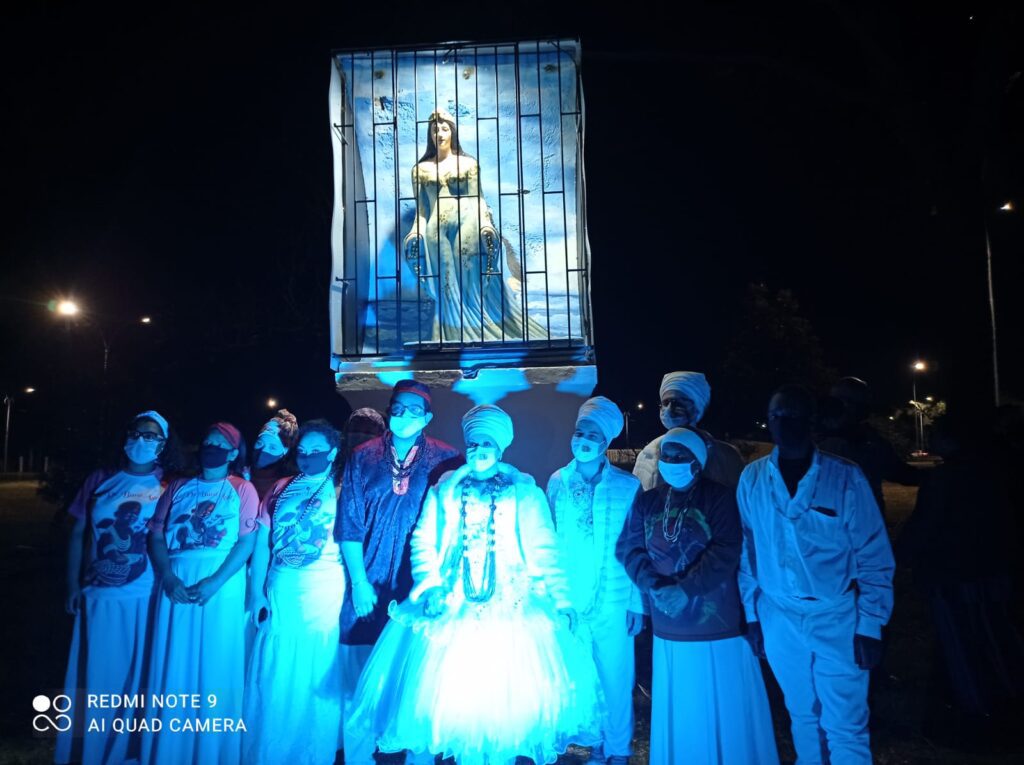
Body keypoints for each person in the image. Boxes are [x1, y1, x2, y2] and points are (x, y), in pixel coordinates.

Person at [348, 404, 602, 764]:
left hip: (512, 610)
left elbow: (543, 549)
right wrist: (430, 585)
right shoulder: (447, 488)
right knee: (458, 709)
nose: (479, 450)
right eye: (474, 443)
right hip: (453, 604)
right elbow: (424, 541)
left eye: (487, 443)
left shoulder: (524, 492)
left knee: (502, 713)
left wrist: (561, 601)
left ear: (501, 448)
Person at [738, 385, 895, 765]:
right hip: (777, 614)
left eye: (793, 416)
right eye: (777, 416)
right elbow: (748, 552)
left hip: (837, 615)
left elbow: (873, 554)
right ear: (768, 422)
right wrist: (753, 617)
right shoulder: (753, 479)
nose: (784, 424)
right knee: (802, 713)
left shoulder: (845, 478)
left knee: (846, 722)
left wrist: (871, 624)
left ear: (811, 422)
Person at [617, 427, 779, 764]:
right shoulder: (647, 501)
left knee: (722, 704)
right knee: (683, 704)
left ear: (698, 461)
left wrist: (686, 589)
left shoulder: (719, 497)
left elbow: (727, 548)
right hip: (668, 627)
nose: (672, 462)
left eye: (680, 456)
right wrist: (654, 586)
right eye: (667, 456)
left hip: (717, 627)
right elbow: (628, 548)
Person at [337, 380, 460, 765]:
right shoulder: (363, 456)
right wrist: (358, 582)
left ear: (427, 417)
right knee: (357, 675)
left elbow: (452, 525)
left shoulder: (446, 458)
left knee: (417, 675)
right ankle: (358, 757)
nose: (403, 415)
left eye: (412, 410)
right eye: (397, 407)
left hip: (419, 581)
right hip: (368, 577)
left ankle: (417, 757)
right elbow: (350, 525)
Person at [56, 411, 182, 765]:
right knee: (100, 675)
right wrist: (72, 584)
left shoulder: (169, 484)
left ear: (164, 443)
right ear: (125, 436)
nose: (143, 440)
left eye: (153, 435)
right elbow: (78, 534)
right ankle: (93, 752)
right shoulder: (100, 480)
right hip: (100, 595)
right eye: (137, 432)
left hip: (146, 597)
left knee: (140, 678)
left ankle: (132, 753)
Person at [898, 412, 1024, 742]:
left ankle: (977, 711)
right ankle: (1000, 698)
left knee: (959, 641)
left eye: (937, 433)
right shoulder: (995, 471)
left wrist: (901, 557)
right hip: (990, 569)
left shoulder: (947, 478)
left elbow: (926, 525)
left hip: (952, 573)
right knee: (992, 632)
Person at [142, 422, 259, 765]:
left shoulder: (242, 489)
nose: (211, 447)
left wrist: (215, 581)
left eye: (220, 443)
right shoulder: (177, 487)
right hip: (176, 580)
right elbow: (157, 535)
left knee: (216, 661)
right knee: (174, 657)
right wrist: (166, 575)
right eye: (207, 441)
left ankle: (213, 752)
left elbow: (246, 541)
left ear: (234, 452)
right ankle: (171, 751)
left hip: (220, 584)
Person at [547, 397, 644, 765]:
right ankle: (585, 743)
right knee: (573, 676)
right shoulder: (558, 480)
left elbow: (637, 547)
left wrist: (637, 602)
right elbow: (550, 540)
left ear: (606, 442)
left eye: (592, 435)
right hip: (570, 599)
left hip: (615, 598)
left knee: (616, 677)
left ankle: (617, 750)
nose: (584, 440)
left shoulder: (626, 485)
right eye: (579, 432)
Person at [244, 420, 346, 764]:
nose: (307, 457)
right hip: (280, 587)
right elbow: (261, 542)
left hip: (323, 592)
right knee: (275, 670)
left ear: (332, 452)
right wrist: (256, 592)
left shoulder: (342, 488)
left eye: (316, 451)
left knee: (314, 671)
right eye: (302, 450)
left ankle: (313, 754)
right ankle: (269, 750)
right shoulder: (281, 487)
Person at [403, 109, 545, 343]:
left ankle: (478, 332)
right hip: (435, 231)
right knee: (445, 283)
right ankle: (450, 335)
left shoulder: (469, 164)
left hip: (467, 225)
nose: (440, 133)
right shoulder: (420, 170)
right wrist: (414, 232)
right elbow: (422, 211)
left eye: (445, 128)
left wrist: (486, 225)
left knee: (471, 283)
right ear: (429, 133)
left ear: (453, 131)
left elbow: (478, 199)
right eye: (435, 129)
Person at [817, 376, 918, 518]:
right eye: (837, 401)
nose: (840, 406)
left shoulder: (871, 442)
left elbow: (898, 471)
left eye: (848, 402)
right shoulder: (813, 438)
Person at [633, 371, 744, 491]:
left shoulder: (726, 456)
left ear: (698, 408)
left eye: (680, 403)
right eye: (666, 402)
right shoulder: (647, 454)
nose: (670, 409)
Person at [249, 408, 299, 501]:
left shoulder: (287, 487)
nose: (263, 450)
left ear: (284, 453)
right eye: (260, 443)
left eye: (273, 448)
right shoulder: (237, 474)